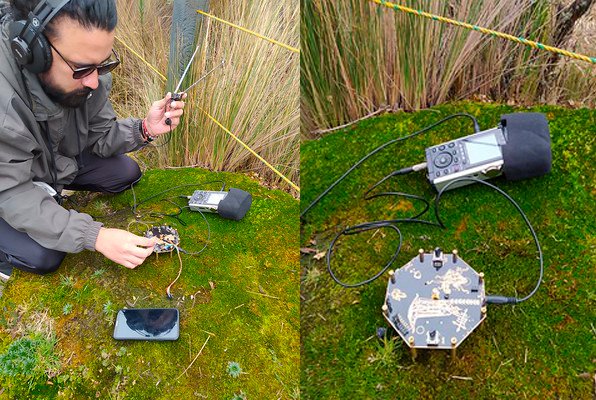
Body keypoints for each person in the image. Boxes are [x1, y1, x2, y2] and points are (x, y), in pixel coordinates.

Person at [0, 0, 186, 281]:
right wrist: (95, 236)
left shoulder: (88, 74)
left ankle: (49, 192)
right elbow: (12, 192)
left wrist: (145, 129)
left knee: (125, 173)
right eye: (83, 68)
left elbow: (100, 135)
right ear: (33, 52)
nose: (94, 83)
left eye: (102, 65)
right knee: (44, 256)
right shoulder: (4, 105)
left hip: (45, 163)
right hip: (6, 184)